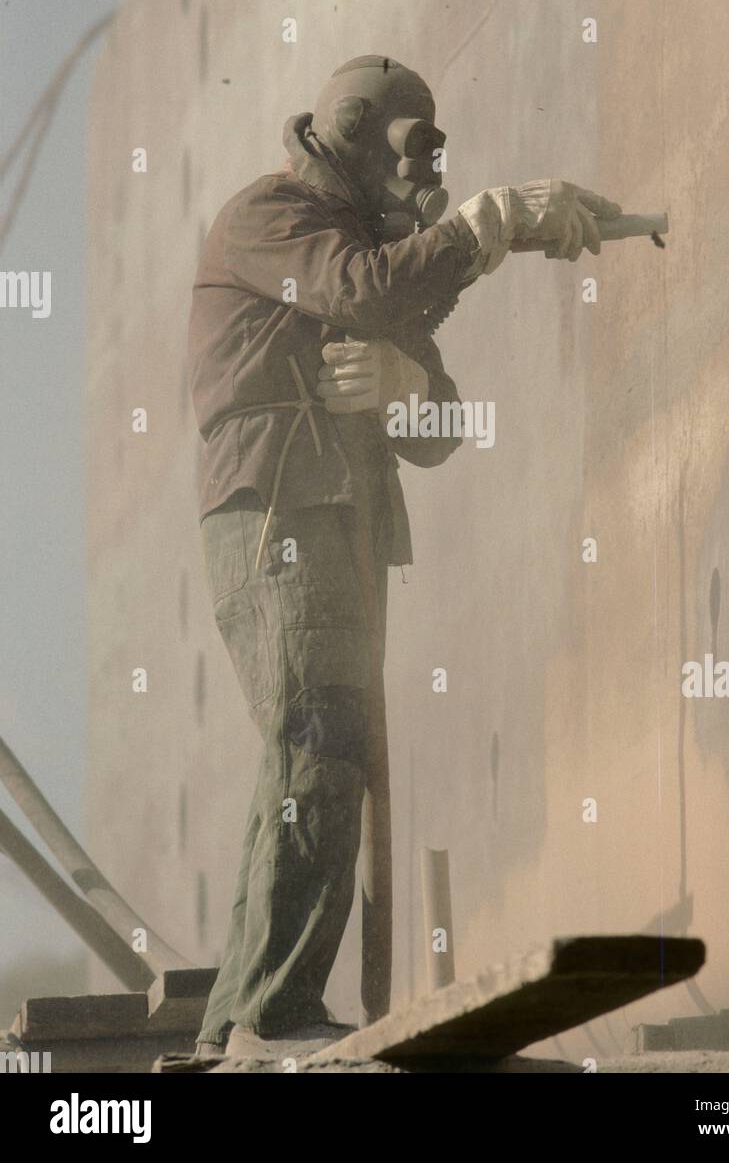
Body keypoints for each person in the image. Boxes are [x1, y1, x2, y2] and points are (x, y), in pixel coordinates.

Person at [186, 54, 619, 1055]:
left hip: (342, 522)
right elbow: (360, 289)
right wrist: (483, 225)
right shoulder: (271, 217)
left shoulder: (371, 265)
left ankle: (239, 1023)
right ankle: (271, 1013)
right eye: (414, 150)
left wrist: (397, 380)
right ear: (366, 142)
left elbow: (437, 425)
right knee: (314, 740)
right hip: (276, 512)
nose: (422, 171)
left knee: (313, 746)